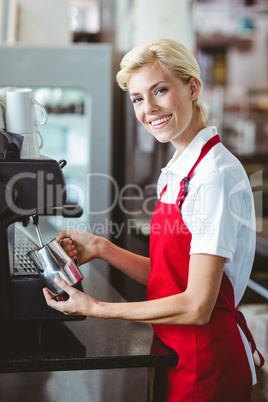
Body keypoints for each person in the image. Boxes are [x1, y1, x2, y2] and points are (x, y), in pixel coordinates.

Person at [43, 39, 264, 401]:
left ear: (192, 87)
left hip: (206, 364)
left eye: (160, 90)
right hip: (174, 350)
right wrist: (101, 247)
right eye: (138, 98)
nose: (150, 109)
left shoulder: (214, 176)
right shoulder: (178, 170)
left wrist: (96, 308)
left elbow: (196, 305)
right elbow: (171, 278)